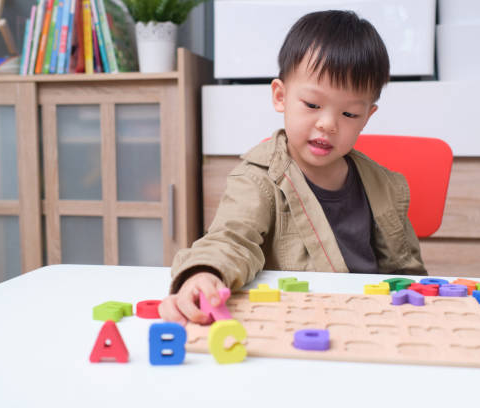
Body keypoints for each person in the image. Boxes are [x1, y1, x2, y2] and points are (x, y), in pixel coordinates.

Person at [159, 10, 426, 325]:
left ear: (367, 117)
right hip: (297, 321)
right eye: (312, 105)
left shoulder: (384, 185)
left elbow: (407, 274)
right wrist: (204, 273)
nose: (327, 124)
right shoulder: (256, 179)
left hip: (370, 320)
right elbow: (231, 240)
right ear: (280, 96)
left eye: (349, 114)